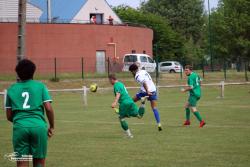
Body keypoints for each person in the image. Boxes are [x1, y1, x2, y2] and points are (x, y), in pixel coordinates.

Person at [5, 59, 55, 167]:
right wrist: (51, 126)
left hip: (20, 128)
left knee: (22, 162)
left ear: (17, 73)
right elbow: (49, 108)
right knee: (39, 162)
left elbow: (9, 116)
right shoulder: (40, 86)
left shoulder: (11, 90)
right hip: (38, 127)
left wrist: (21, 121)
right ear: (33, 72)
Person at [109, 74, 145, 138]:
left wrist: (115, 102)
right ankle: (143, 103)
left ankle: (129, 135)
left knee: (121, 118)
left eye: (109, 80)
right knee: (139, 116)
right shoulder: (121, 84)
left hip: (124, 103)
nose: (109, 82)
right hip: (130, 101)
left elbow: (118, 94)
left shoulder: (116, 85)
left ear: (112, 79)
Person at [129, 63, 162, 131]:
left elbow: (144, 83)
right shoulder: (143, 71)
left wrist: (147, 91)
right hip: (153, 90)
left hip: (145, 91)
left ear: (133, 71)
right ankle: (159, 124)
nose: (131, 73)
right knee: (154, 108)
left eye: (131, 71)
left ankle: (132, 112)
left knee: (131, 101)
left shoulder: (137, 76)